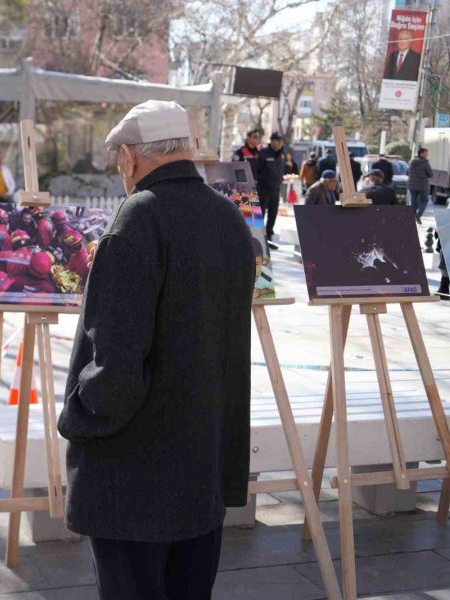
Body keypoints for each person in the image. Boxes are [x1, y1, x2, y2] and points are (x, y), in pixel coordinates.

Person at [58, 100, 254, 600]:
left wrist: (78, 416)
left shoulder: (139, 218)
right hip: (201, 465)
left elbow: (115, 365)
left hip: (135, 476)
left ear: (130, 156)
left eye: (119, 160)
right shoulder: (227, 216)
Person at [255, 132, 286, 243]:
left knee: (273, 214)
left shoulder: (282, 154)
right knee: (261, 213)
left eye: (281, 141)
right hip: (264, 189)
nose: (279, 143)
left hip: (276, 189)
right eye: (277, 140)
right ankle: (258, 235)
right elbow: (257, 170)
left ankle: (269, 235)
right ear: (272, 141)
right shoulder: (264, 153)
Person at [408, 146, 434, 224]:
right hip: (422, 185)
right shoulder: (425, 163)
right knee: (424, 201)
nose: (427, 155)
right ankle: (418, 216)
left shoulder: (412, 162)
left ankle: (411, 217)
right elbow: (430, 174)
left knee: (413, 201)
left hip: (412, 185)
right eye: (426, 153)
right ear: (421, 154)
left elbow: (408, 171)